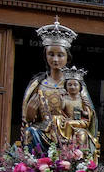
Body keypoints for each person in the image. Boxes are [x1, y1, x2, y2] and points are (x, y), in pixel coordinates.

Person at [21, 17, 97, 156]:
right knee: (29, 133)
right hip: (43, 130)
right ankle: (34, 166)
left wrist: (81, 115)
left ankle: (77, 168)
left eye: (60, 55)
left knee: (81, 137)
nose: (55, 59)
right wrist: (29, 113)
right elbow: (28, 119)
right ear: (46, 56)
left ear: (67, 57)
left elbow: (89, 116)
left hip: (69, 131)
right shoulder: (37, 84)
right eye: (51, 54)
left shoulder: (75, 84)